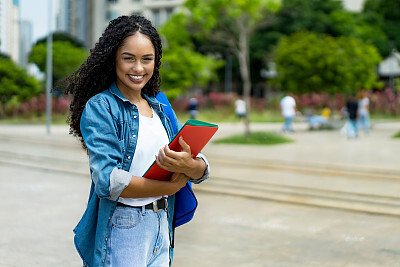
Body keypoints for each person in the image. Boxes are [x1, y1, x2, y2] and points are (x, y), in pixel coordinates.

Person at [64, 15, 210, 267]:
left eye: (147, 59)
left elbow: (201, 169)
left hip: (161, 222)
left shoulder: (161, 106)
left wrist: (189, 165)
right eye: (128, 58)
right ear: (113, 59)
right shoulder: (101, 107)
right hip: (124, 225)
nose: (138, 68)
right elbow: (108, 181)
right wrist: (169, 188)